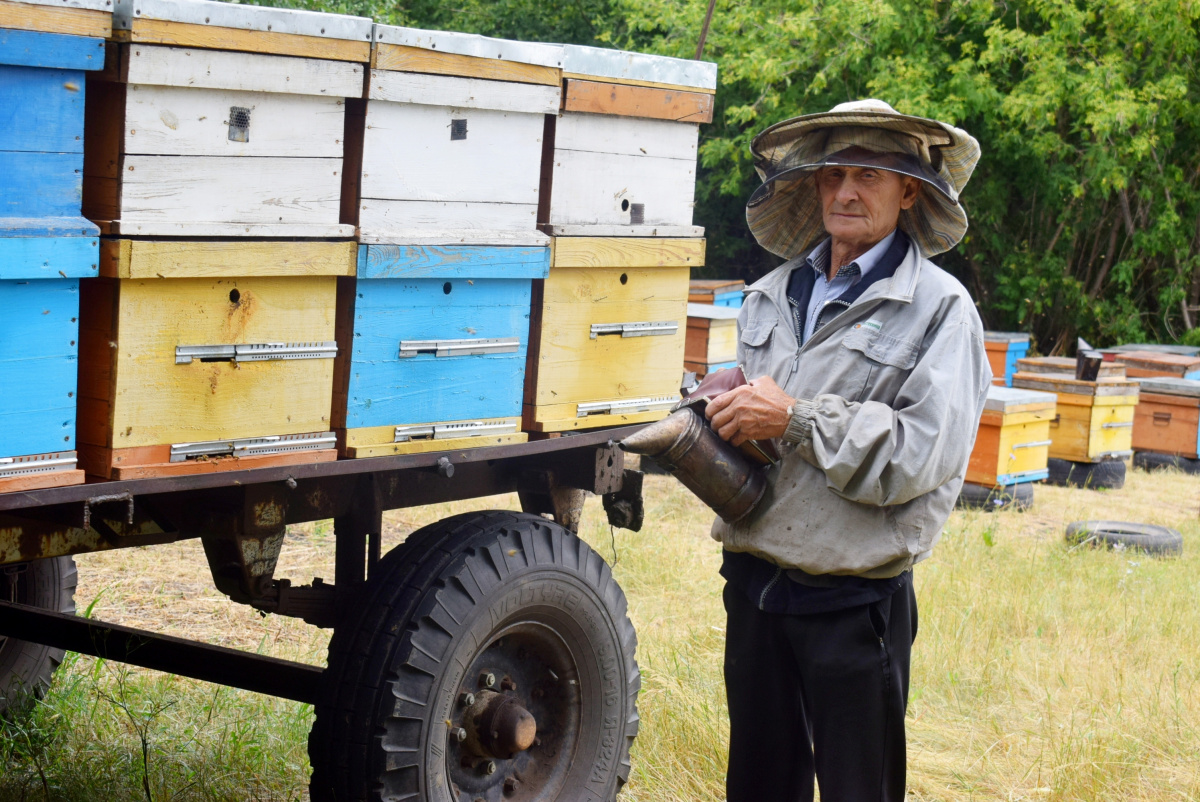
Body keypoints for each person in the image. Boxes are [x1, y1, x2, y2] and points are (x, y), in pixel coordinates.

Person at [703, 99, 992, 801]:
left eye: (868, 175)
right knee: (761, 786)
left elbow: (917, 457)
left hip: (853, 601)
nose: (846, 192)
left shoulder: (941, 311)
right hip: (754, 587)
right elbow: (759, 427)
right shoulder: (769, 296)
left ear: (909, 192)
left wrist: (794, 418)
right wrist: (719, 409)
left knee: (858, 790)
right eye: (833, 175)